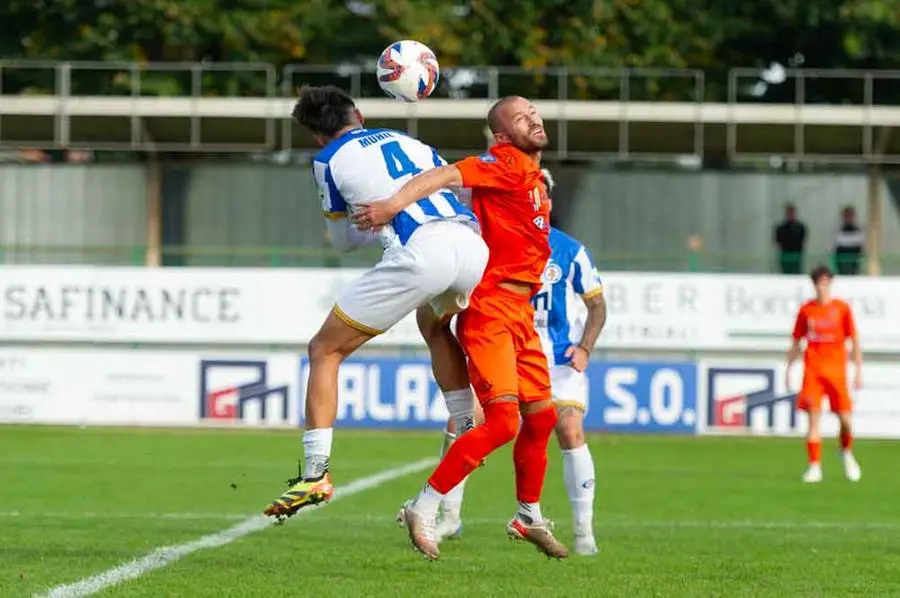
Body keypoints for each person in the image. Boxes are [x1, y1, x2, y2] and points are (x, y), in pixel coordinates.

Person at [353, 95, 567, 561]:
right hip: (491, 308)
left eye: (534, 112)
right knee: (504, 422)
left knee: (543, 417)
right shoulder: (503, 163)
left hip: (521, 311)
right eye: (520, 117)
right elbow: (448, 174)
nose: (533, 118)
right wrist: (392, 205)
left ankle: (528, 515)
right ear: (502, 135)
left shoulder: (530, 174)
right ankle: (423, 505)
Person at [262, 86, 488, 521]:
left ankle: (315, 473)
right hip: (471, 246)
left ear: (315, 136)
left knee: (324, 350)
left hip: (425, 252)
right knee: (434, 325)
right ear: (359, 114)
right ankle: (465, 423)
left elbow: (344, 242)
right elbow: (457, 189)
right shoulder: (410, 141)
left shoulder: (327, 161)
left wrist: (366, 223)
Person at [531, 220, 607, 556]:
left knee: (570, 428)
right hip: (516, 354)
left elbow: (597, 306)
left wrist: (585, 348)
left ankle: (583, 531)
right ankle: (446, 516)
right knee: (466, 420)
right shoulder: (499, 240)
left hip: (561, 362)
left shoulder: (570, 251)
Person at [786, 265, 863, 484]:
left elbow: (854, 340)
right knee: (813, 421)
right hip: (813, 373)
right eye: (819, 282)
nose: (823, 286)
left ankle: (846, 452)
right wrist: (789, 368)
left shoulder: (841, 308)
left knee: (846, 421)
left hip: (837, 373)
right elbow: (796, 341)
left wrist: (858, 370)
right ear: (814, 285)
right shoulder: (806, 310)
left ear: (830, 283)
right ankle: (814, 467)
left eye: (826, 281)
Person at [773, 203, 806, 274]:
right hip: (785, 255)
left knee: (796, 272)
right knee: (786, 272)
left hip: (796, 255)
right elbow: (778, 240)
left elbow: (801, 240)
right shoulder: (781, 227)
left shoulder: (800, 227)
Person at [833, 206, 864, 275]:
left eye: (850, 215)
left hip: (855, 258)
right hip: (841, 258)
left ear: (853, 216)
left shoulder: (859, 227)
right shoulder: (837, 227)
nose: (848, 217)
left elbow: (860, 240)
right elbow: (838, 240)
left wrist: (846, 239)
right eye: (846, 215)